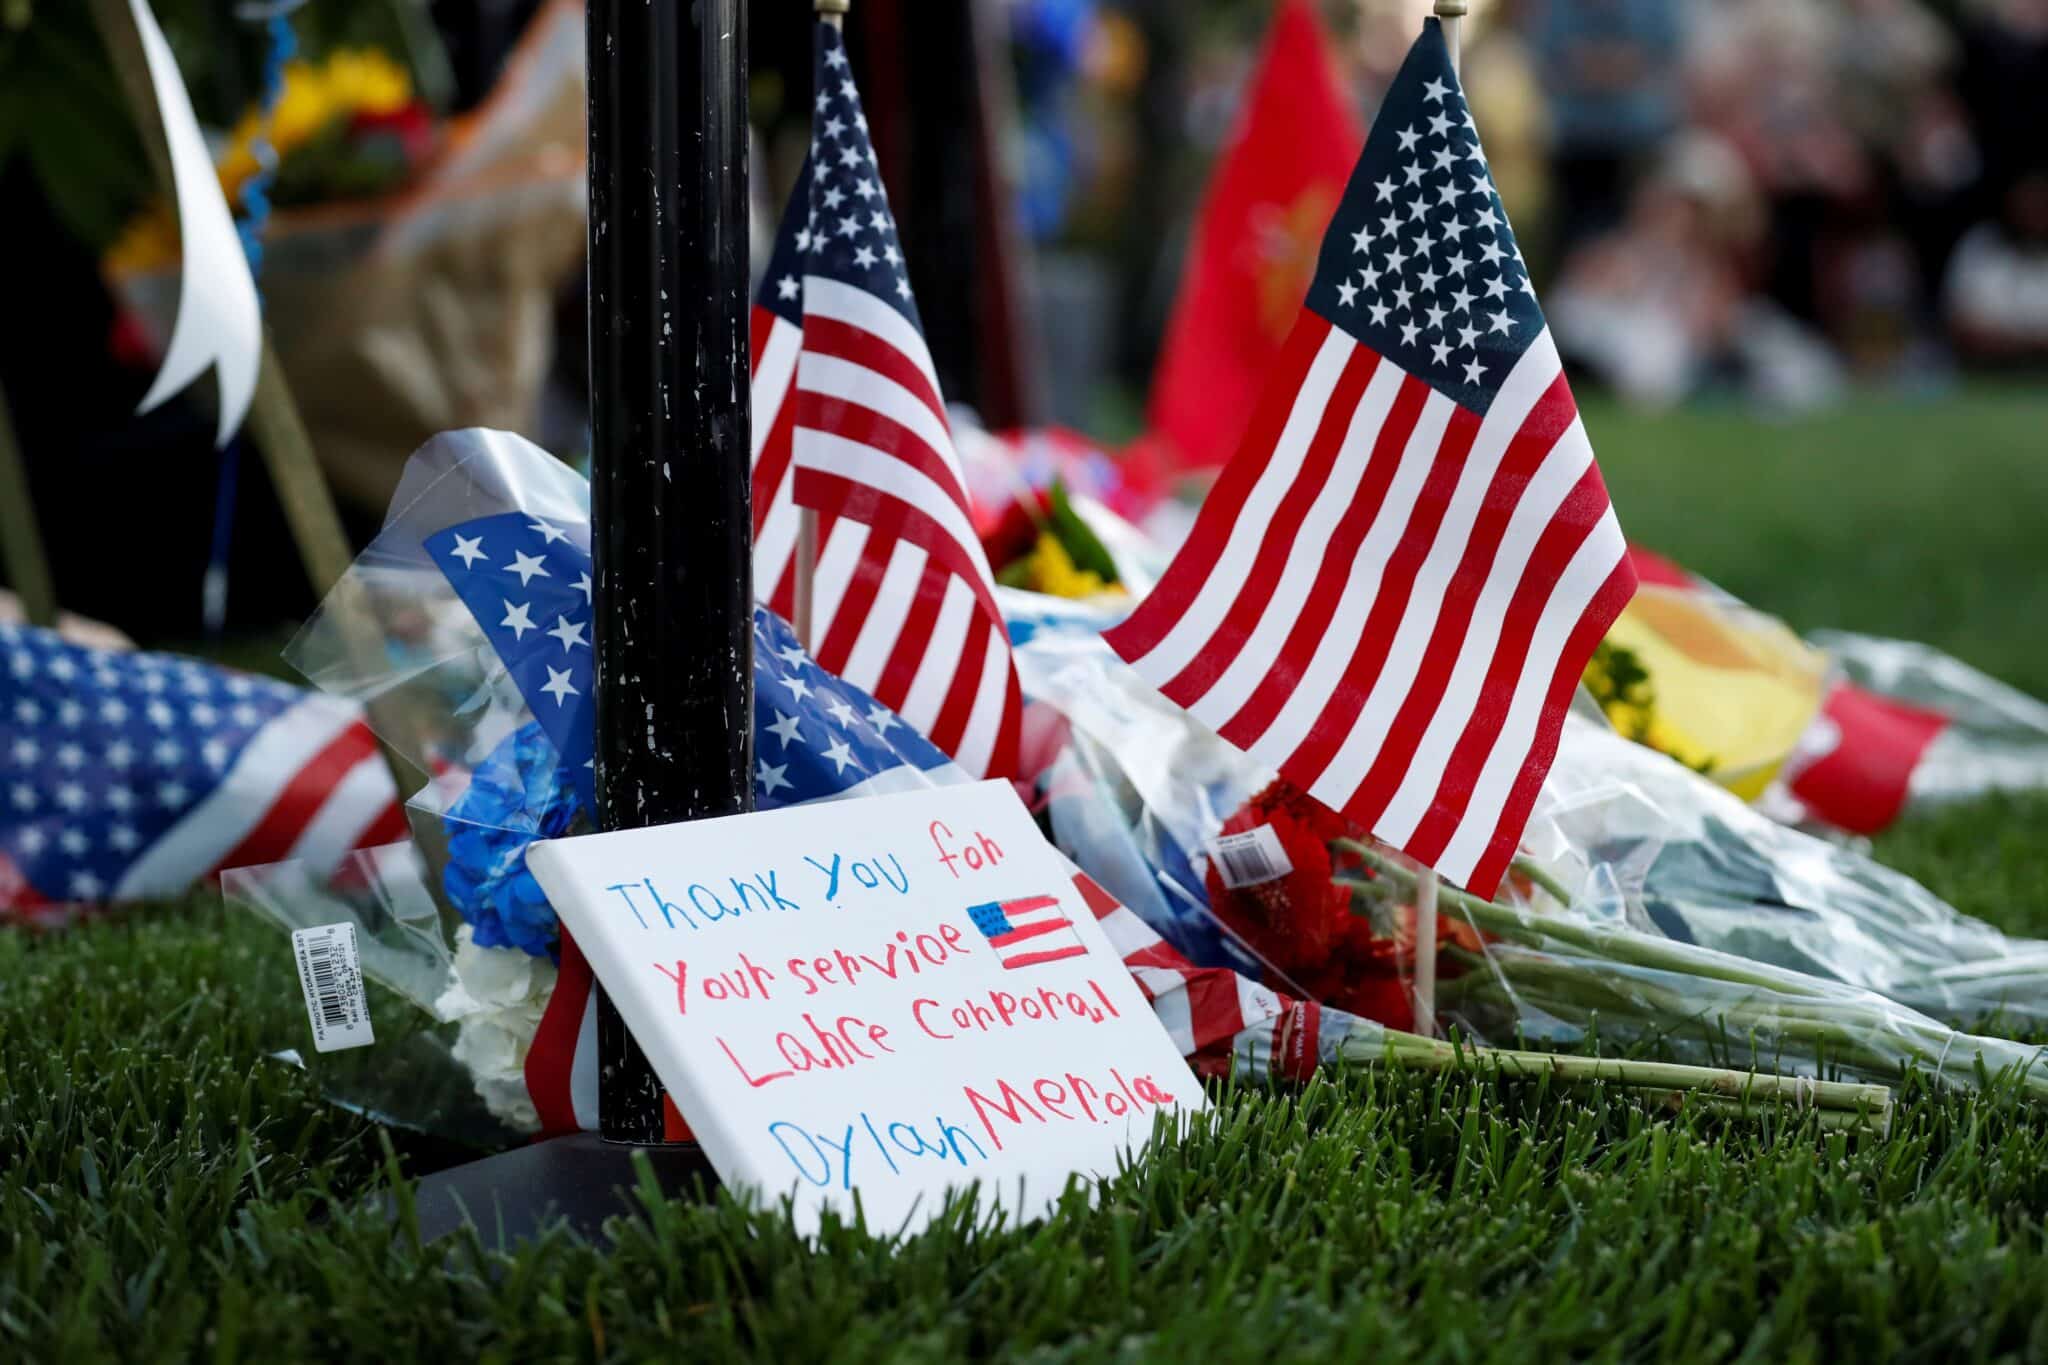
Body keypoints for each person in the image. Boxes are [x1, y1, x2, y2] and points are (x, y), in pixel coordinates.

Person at [1944, 168, 2048, 363]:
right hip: (1986, 370)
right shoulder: (1981, 245)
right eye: (2027, 201)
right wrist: (2029, 344)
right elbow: (1963, 328)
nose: (2034, 210)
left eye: (2042, 202)